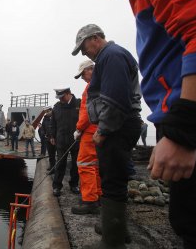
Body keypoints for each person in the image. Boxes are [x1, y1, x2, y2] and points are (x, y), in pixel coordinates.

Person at [85, 0, 196, 247]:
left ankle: (113, 237)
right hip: (178, 111)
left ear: (95, 39)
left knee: (195, 221)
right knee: (188, 217)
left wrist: (183, 130)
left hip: (186, 113)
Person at [72, 24, 142, 247]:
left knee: (112, 181)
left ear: (94, 38)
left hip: (117, 127)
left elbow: (115, 99)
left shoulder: (111, 56)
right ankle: (117, 229)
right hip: (120, 126)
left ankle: (113, 241)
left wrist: (102, 130)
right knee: (115, 178)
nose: (84, 53)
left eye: (83, 48)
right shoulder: (109, 57)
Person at [71, 60, 102, 215]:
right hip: (100, 130)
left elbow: (86, 112)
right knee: (95, 165)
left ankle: (89, 200)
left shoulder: (91, 87)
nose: (82, 78)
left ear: (91, 69)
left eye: (83, 74)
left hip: (89, 131)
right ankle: (97, 195)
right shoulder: (104, 82)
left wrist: (78, 129)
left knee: (85, 164)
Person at [50, 87, 80, 197]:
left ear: (68, 94)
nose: (60, 100)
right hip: (61, 140)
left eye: (62, 97)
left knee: (76, 164)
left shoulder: (79, 104)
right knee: (60, 163)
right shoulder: (57, 107)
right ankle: (57, 186)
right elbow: (53, 123)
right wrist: (52, 136)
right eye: (59, 98)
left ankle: (74, 184)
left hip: (76, 140)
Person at [42, 106, 57, 173]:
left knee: (59, 154)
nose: (46, 113)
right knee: (51, 154)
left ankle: (58, 168)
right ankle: (52, 167)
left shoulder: (56, 116)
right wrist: (44, 133)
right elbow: (43, 127)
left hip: (56, 139)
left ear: (51, 110)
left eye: (47, 111)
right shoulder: (45, 118)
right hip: (48, 139)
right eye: (45, 112)